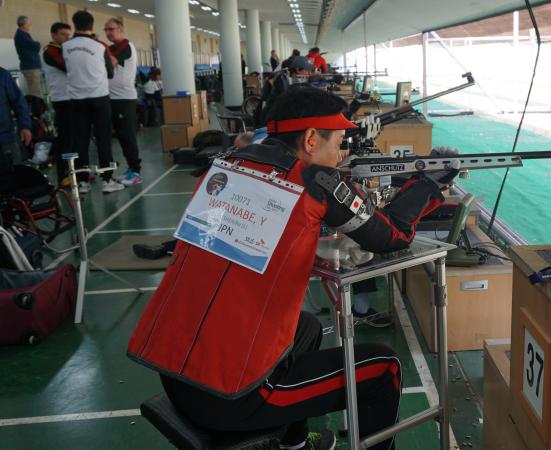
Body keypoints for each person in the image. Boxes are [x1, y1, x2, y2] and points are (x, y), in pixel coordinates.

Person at [128, 86, 458, 450]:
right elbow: (392, 236)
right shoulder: (317, 183)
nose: (341, 153)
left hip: (174, 373)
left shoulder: (225, 165)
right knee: (384, 367)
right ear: (312, 139)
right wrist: (427, 184)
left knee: (307, 327)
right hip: (233, 394)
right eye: (338, 142)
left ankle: (295, 443)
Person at [62, 10, 124, 194]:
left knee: (80, 139)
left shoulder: (65, 47)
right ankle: (106, 179)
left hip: (76, 99)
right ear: (92, 25)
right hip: (99, 97)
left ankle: (82, 182)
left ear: (74, 24)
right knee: (103, 137)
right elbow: (110, 73)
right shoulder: (100, 46)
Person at [105, 18, 142, 186]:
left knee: (127, 136)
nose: (108, 32)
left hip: (124, 99)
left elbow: (110, 61)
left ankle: (135, 171)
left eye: (111, 29)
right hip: (111, 98)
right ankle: (129, 169)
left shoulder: (126, 46)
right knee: (120, 136)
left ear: (120, 29)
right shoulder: (112, 48)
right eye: (106, 29)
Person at [42, 22, 72, 186]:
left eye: (69, 35)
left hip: (73, 98)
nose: (67, 38)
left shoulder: (64, 50)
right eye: (63, 35)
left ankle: (76, 173)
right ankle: (63, 176)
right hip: (62, 100)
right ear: (54, 35)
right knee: (65, 140)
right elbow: (68, 66)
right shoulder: (50, 52)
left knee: (75, 139)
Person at [0, 66, 32, 192]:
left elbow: (19, 102)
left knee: (16, 182)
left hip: (6, 141)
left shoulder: (2, 75)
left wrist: (25, 126)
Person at [14, 16, 42, 96]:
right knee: (34, 93)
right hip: (31, 67)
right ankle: (33, 108)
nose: (30, 25)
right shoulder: (21, 35)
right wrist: (38, 43)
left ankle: (32, 107)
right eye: (28, 23)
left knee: (33, 91)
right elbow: (36, 47)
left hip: (30, 66)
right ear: (23, 24)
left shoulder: (23, 35)